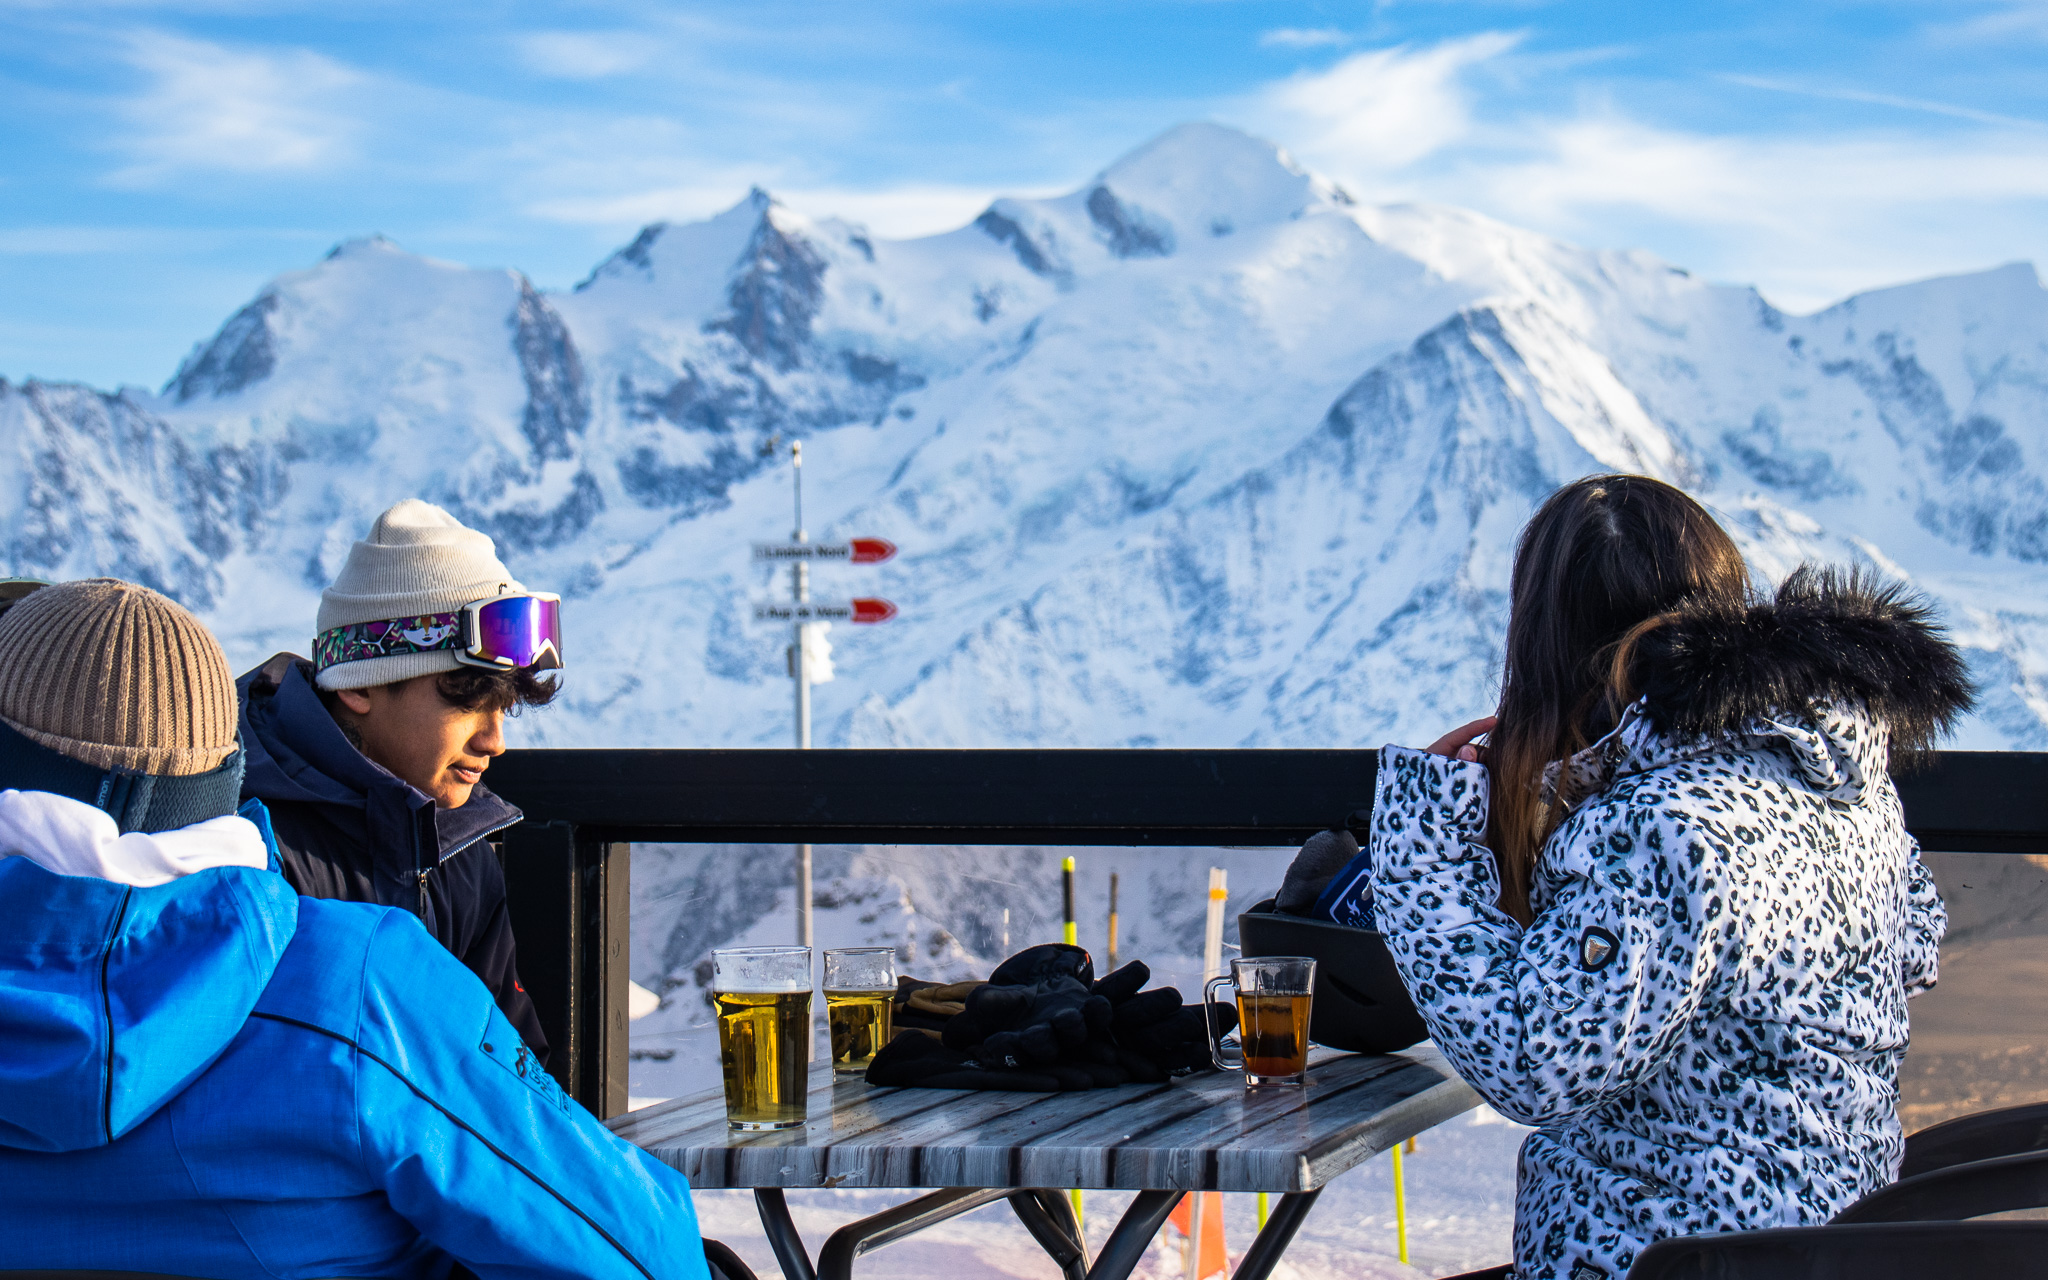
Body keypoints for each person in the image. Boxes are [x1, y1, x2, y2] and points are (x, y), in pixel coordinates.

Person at [1351, 475, 1972, 1280]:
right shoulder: (1838, 777)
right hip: (1837, 1240)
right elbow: (1915, 934)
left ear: (1551, 647)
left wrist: (1422, 851)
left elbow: (1535, 1064)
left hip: (1670, 1255)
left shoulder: (1661, 824)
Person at [0, 578, 709, 1279]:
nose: (494, 736)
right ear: (222, 770)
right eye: (466, 693)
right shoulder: (358, 988)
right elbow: (637, 1252)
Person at [240, 499, 558, 1059]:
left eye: (504, 706)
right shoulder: (244, 834)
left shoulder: (460, 849)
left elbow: (513, 1075)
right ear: (358, 686)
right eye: (468, 700)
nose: (494, 741)